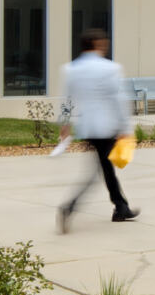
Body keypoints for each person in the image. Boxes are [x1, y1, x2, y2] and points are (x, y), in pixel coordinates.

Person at [57, 27, 138, 231]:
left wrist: (65, 124)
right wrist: (125, 126)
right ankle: (69, 207)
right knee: (97, 172)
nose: (105, 46)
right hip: (107, 126)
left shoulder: (71, 69)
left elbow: (67, 99)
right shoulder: (110, 68)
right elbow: (119, 98)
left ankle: (121, 207)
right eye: (103, 43)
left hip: (88, 127)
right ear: (96, 44)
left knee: (106, 168)